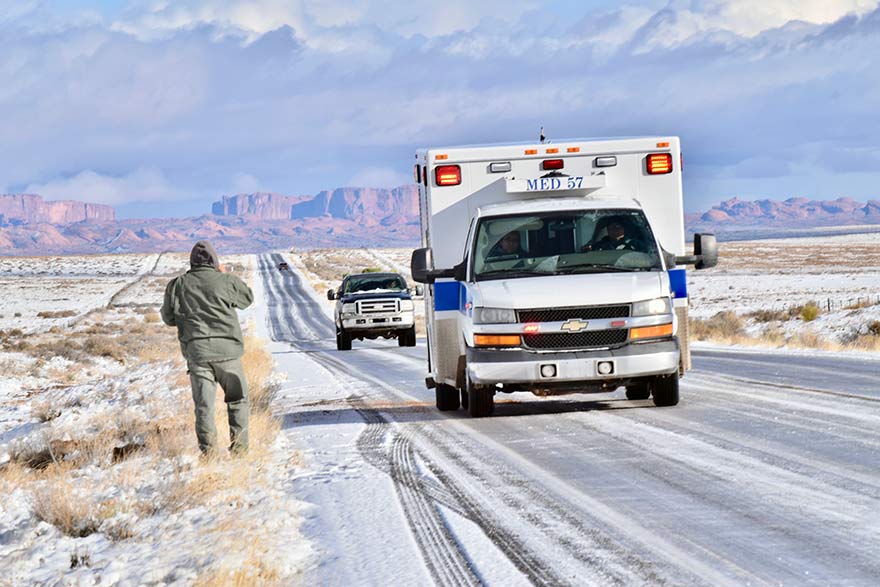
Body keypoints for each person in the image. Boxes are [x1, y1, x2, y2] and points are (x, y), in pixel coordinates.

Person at [161, 241, 254, 456]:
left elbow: (168, 318)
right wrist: (223, 274)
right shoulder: (226, 281)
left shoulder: (178, 284)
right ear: (214, 261)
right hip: (228, 353)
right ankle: (240, 451)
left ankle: (209, 455)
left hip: (198, 355)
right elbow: (247, 299)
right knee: (238, 400)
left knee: (204, 407)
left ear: (192, 261)